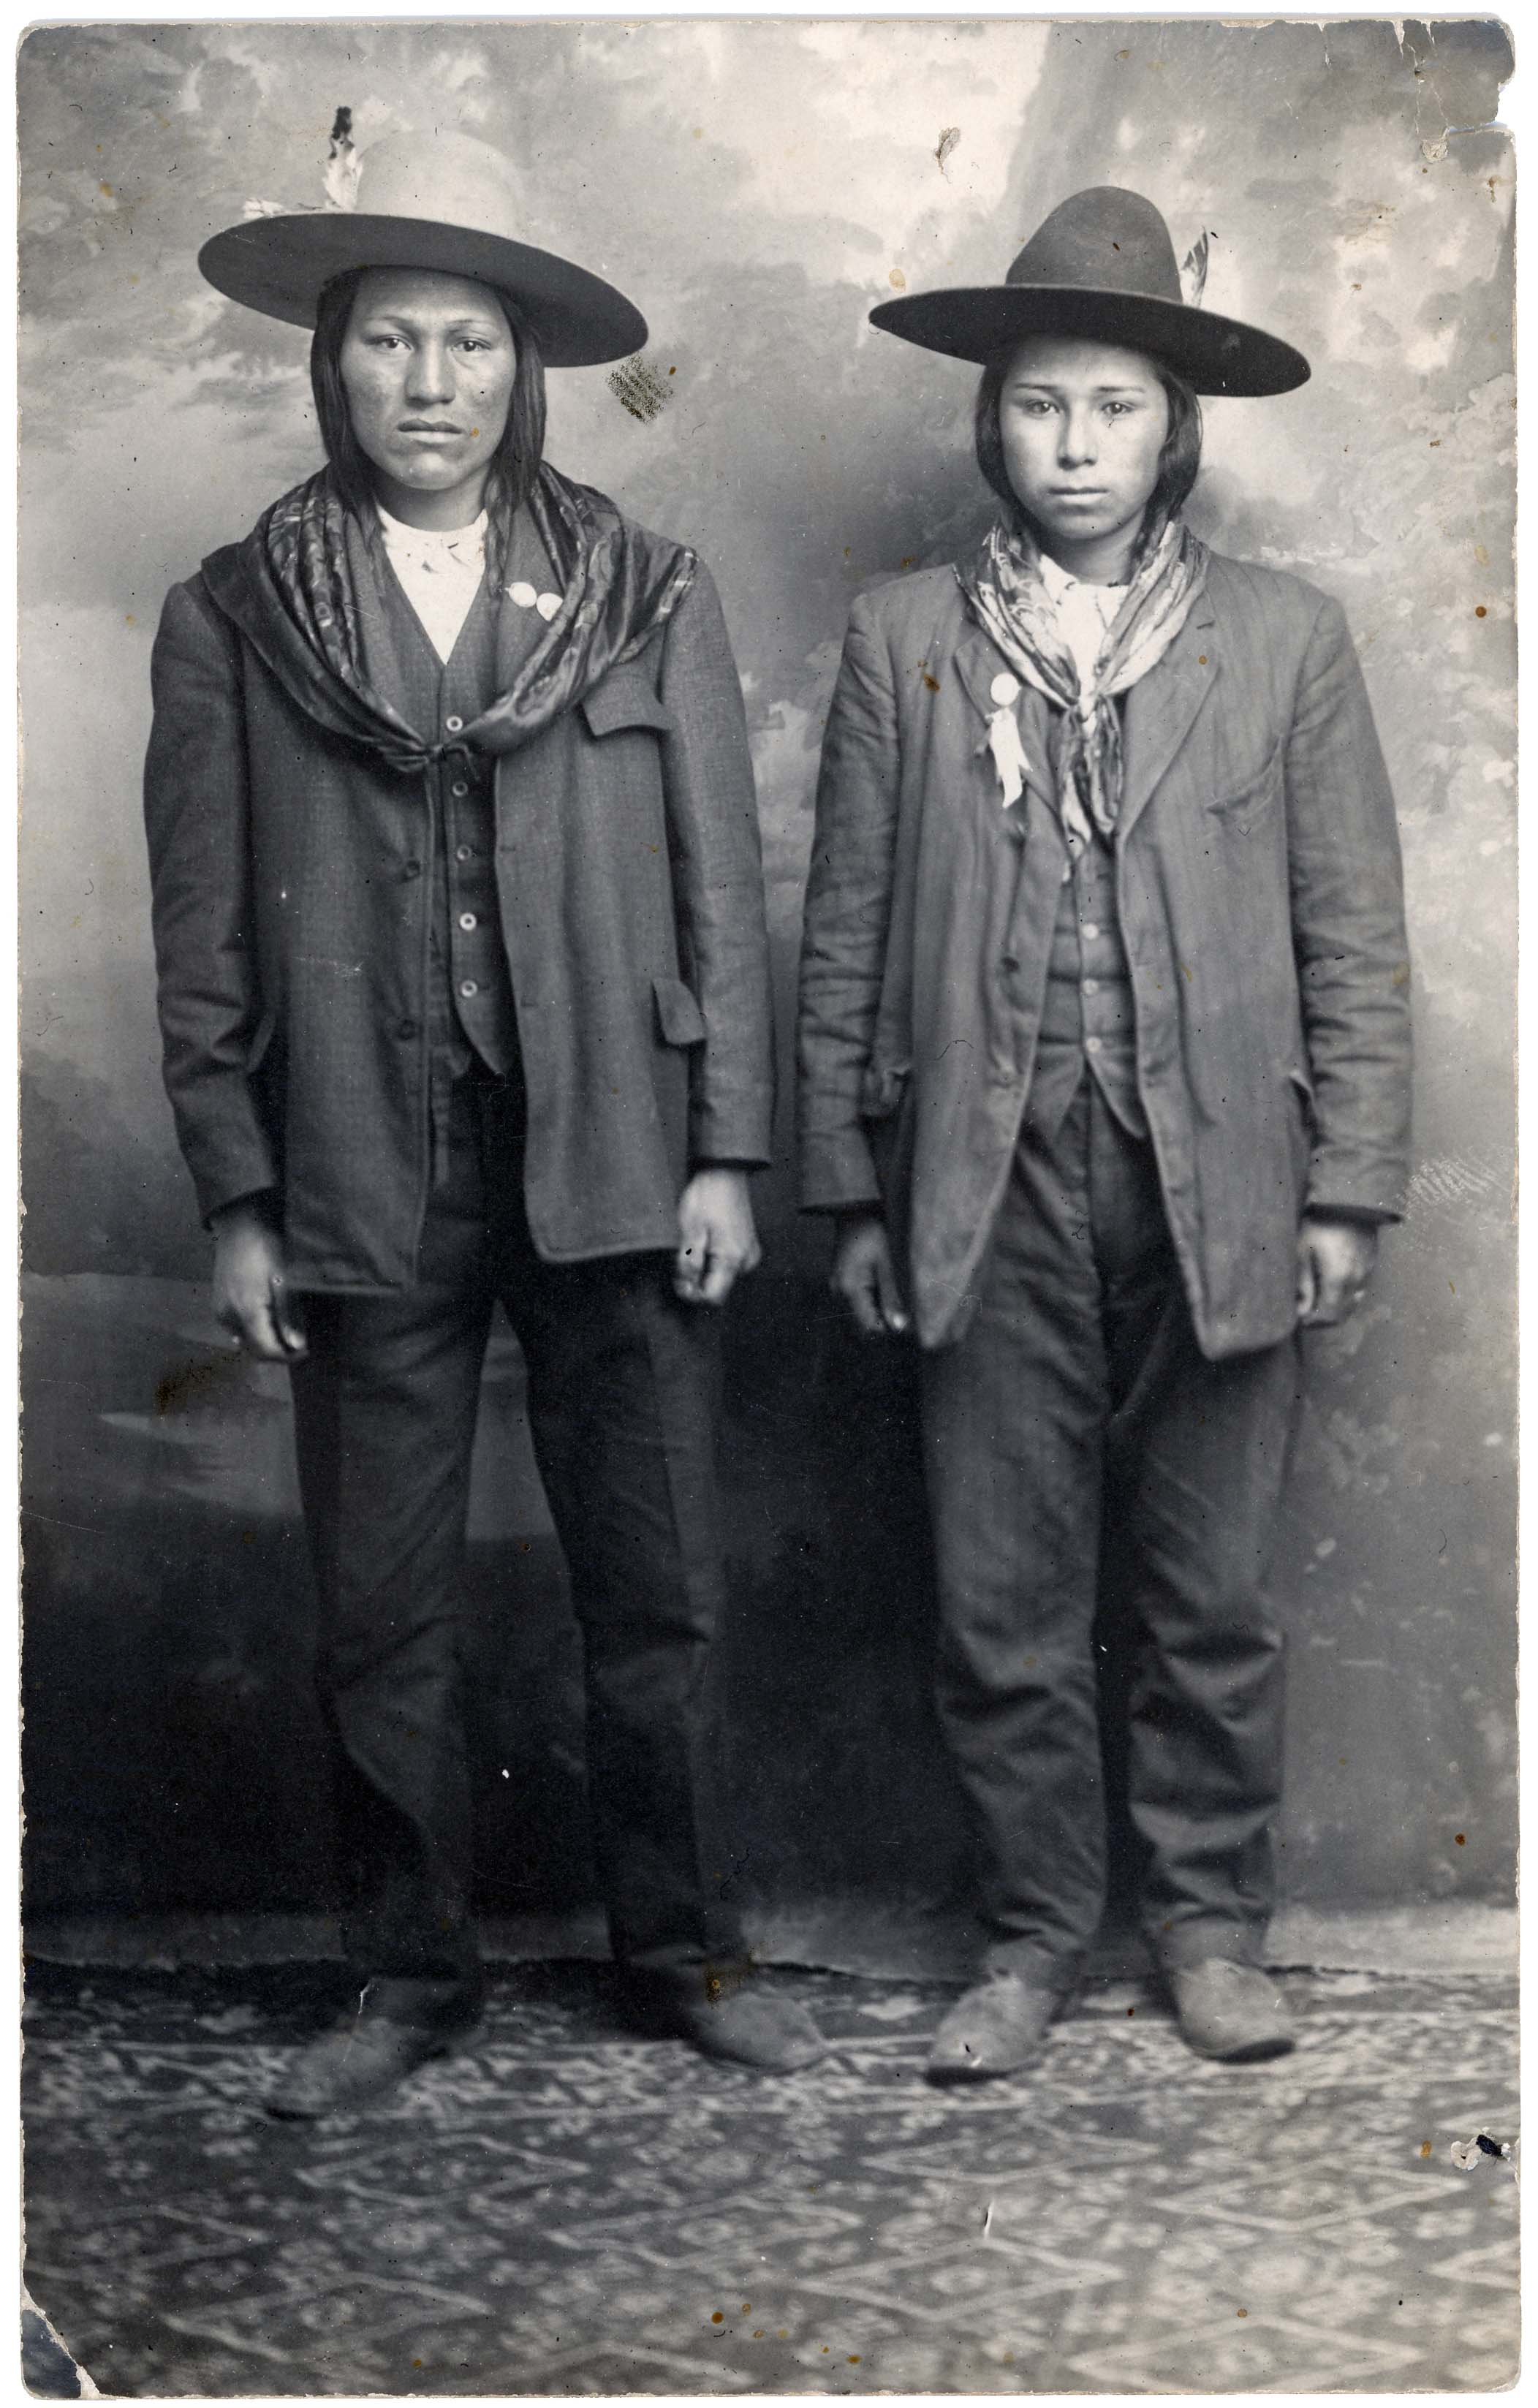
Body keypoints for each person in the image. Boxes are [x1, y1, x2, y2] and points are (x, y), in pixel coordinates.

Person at [145, 120, 822, 2115]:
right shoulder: (236, 612)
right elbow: (202, 930)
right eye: (385, 344)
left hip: (614, 1149)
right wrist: (238, 1192)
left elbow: (721, 888)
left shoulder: (641, 590)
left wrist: (726, 1149)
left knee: (661, 1581)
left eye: (463, 343)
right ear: (328, 362)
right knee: (382, 1604)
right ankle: (402, 1976)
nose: (424, 386)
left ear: (523, 366)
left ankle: (688, 1947)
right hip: (365, 1156)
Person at [798, 188, 1411, 2076]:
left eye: (1116, 409)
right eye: (1044, 406)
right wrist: (852, 1188)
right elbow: (839, 939)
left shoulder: (1280, 642)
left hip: (1220, 1177)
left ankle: (1212, 1927)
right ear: (994, 422)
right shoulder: (906, 637)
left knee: (1208, 1587)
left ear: (1175, 430)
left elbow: (1352, 937)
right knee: (999, 1588)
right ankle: (1032, 1932)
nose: (1077, 446)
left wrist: (1346, 1186)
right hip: (984, 1180)